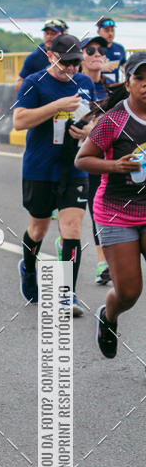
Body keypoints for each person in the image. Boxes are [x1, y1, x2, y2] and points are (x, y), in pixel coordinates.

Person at [14, 33, 96, 316]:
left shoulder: (84, 83)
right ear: (51, 57)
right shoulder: (35, 82)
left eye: (76, 63)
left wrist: (88, 131)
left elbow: (92, 120)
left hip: (74, 167)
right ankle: (27, 268)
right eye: (66, 63)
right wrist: (56, 107)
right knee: (38, 230)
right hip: (40, 167)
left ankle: (67, 293)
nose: (71, 69)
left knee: (72, 228)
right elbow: (19, 120)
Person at [75, 52, 146, 359]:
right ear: (128, 82)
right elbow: (82, 159)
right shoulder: (114, 119)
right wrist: (116, 166)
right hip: (117, 212)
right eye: (139, 78)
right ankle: (109, 316)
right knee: (129, 292)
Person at [77, 35, 110, 285]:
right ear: (80, 57)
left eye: (101, 50)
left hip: (108, 160)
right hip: (79, 161)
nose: (97, 53)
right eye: (91, 50)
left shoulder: (115, 88)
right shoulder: (73, 86)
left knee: (106, 211)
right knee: (91, 213)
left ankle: (104, 264)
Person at [15, 20, 66, 91]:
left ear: (63, 35)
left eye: (53, 33)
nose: (49, 36)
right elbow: (18, 84)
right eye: (47, 33)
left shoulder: (70, 55)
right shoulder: (34, 57)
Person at [97, 17, 126, 85]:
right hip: (97, 87)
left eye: (112, 30)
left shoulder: (120, 48)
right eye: (106, 31)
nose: (110, 33)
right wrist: (100, 68)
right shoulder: (92, 49)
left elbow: (124, 66)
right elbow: (82, 69)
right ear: (98, 32)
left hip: (114, 87)